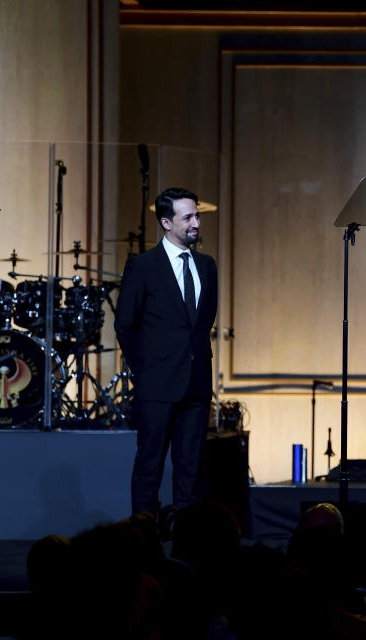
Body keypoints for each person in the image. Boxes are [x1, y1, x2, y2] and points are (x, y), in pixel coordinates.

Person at [115, 187, 218, 515]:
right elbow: (124, 325)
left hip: (197, 386)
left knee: (191, 471)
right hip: (156, 385)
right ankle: (143, 538)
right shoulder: (143, 266)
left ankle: (186, 542)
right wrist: (143, 370)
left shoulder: (207, 265)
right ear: (165, 222)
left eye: (197, 215)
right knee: (149, 467)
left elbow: (203, 322)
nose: (196, 223)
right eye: (187, 217)